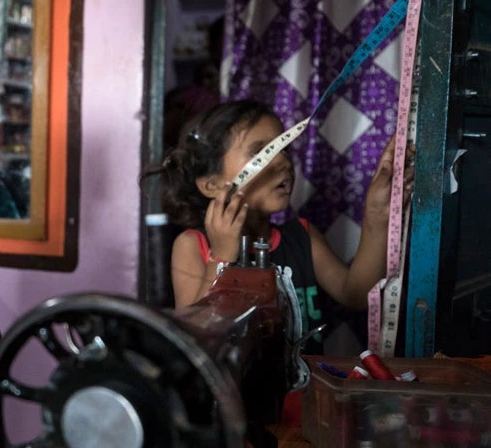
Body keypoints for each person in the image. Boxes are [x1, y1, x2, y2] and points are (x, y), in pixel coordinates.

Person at [145, 100, 413, 354]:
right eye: (262, 152)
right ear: (211, 185)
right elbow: (195, 335)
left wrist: (378, 213)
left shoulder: (303, 235)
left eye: (282, 148)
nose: (283, 162)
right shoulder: (193, 245)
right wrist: (222, 257)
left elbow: (356, 295)